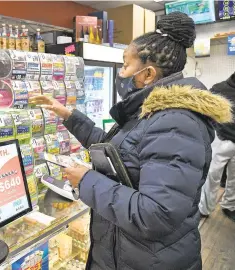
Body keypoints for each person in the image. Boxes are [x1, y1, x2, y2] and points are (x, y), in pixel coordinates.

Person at [30, 12, 232, 270]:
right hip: (128, 253)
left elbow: (155, 214)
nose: (121, 73)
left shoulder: (176, 122)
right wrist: (69, 116)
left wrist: (87, 181)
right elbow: (118, 153)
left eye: (125, 65)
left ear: (147, 74)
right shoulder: (153, 112)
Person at [199, 72, 235, 221]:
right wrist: (217, 129)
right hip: (221, 141)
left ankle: (229, 206)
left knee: (234, 178)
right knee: (211, 176)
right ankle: (205, 208)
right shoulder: (218, 88)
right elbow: (206, 111)